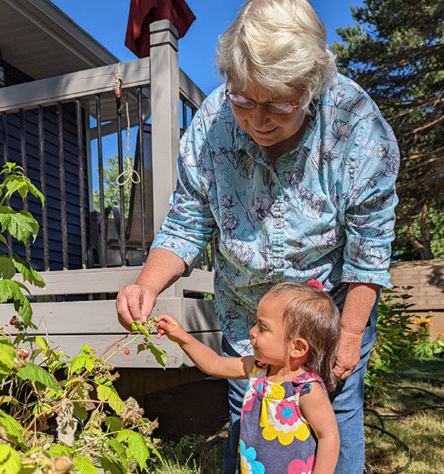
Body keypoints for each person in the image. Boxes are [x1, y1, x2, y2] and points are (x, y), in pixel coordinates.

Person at [116, 0, 399, 472]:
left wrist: (348, 336)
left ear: (311, 88)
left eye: (278, 104)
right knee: (249, 424)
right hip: (247, 318)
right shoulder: (212, 124)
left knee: (336, 429)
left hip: (325, 322)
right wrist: (146, 286)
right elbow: (188, 220)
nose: (258, 119)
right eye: (245, 100)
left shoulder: (359, 129)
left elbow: (368, 252)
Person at [155, 282, 341, 474]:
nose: (252, 331)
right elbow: (214, 364)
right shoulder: (258, 369)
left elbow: (329, 437)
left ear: (297, 347)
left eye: (263, 328)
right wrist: (182, 338)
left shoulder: (306, 390)